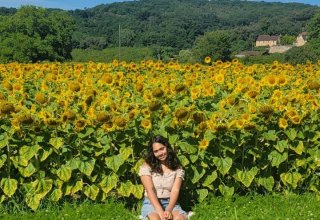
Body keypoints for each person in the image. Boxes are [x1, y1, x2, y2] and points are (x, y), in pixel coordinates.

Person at [139, 135, 188, 220]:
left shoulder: (176, 167)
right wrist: (160, 211)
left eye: (162, 149)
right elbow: (150, 189)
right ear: (153, 153)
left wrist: (169, 209)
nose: (160, 153)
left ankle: (184, 214)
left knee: (180, 218)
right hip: (151, 203)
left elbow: (175, 190)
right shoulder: (147, 166)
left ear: (167, 147)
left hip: (170, 202)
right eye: (156, 151)